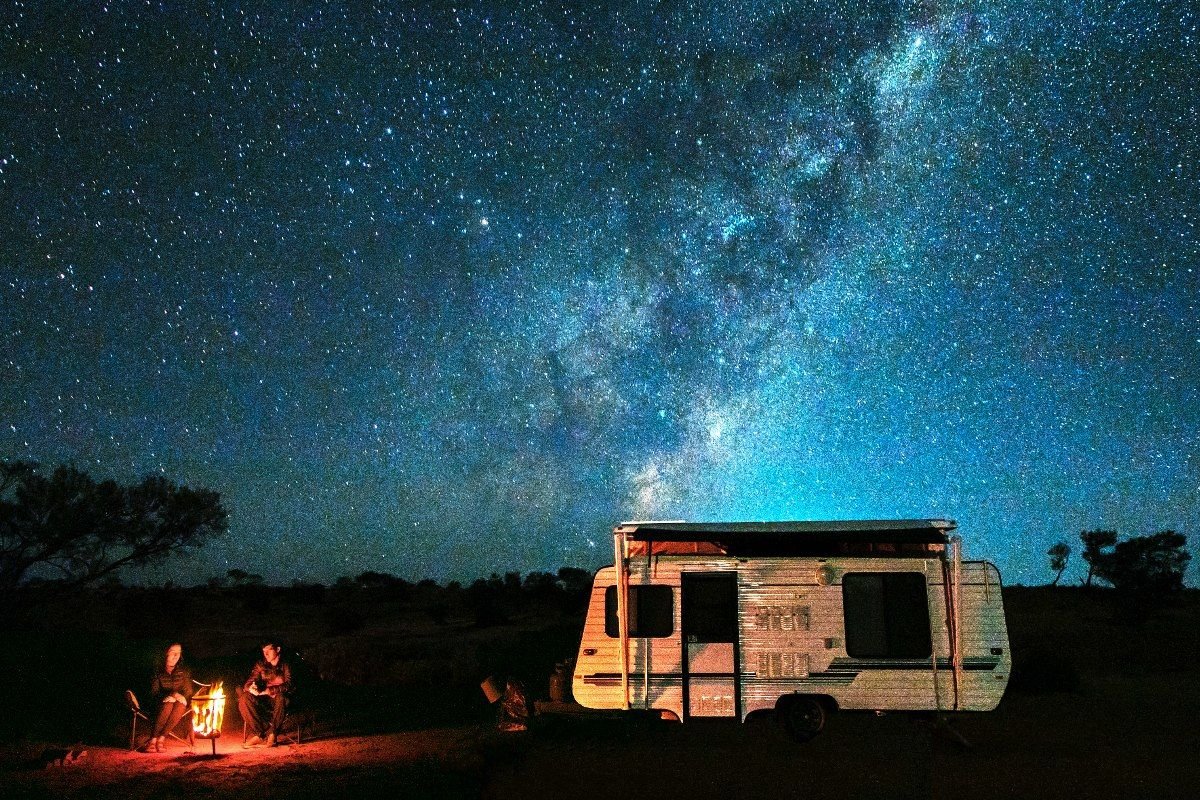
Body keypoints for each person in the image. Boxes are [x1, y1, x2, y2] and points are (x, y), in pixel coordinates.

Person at [238, 641, 293, 747]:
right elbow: (248, 683)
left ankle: (272, 734)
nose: (266, 654)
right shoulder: (261, 665)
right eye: (264, 651)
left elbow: (290, 684)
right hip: (264, 700)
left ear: (277, 650)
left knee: (281, 698)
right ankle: (258, 734)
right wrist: (251, 688)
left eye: (269, 650)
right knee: (244, 698)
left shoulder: (286, 664)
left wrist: (270, 690)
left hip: (281, 699)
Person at [146, 642, 193, 752]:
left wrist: (180, 696)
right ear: (165, 654)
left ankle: (161, 739)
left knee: (181, 704)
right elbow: (154, 693)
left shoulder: (182, 671)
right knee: (168, 704)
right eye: (173, 653)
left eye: (178, 653)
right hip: (157, 704)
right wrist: (171, 695)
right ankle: (152, 740)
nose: (176, 656)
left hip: (175, 705)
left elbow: (188, 691)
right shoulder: (157, 671)